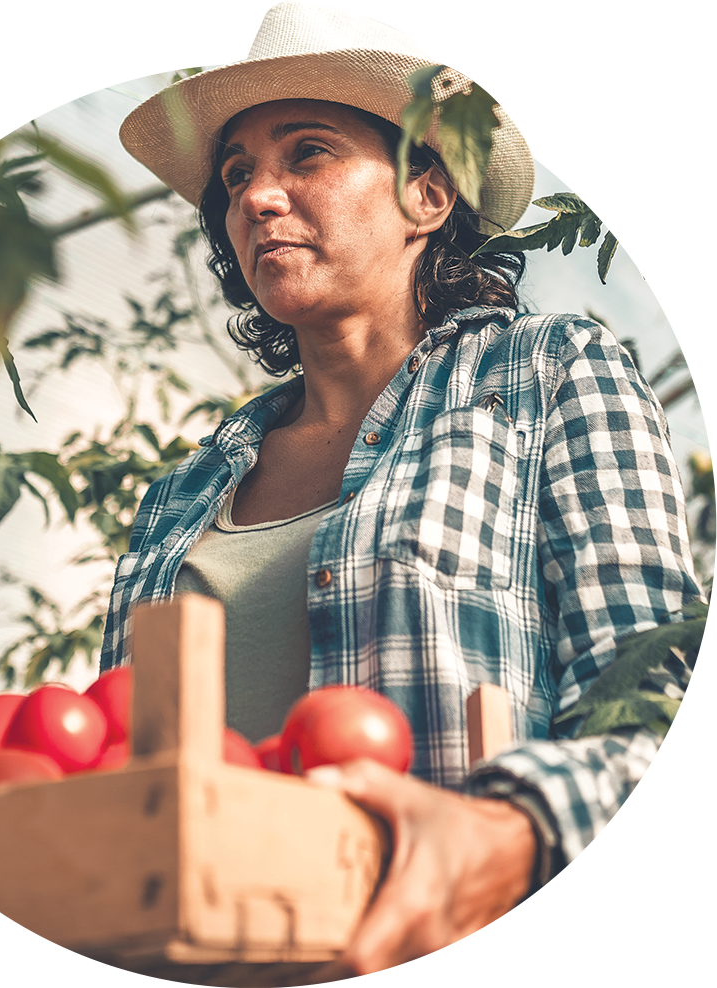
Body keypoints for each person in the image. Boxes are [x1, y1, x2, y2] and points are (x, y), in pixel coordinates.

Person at [103, 2, 715, 985]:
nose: (258, 195)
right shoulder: (182, 493)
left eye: (306, 153)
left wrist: (516, 834)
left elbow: (664, 701)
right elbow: (120, 776)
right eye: (234, 175)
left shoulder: (545, 376)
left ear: (425, 197)